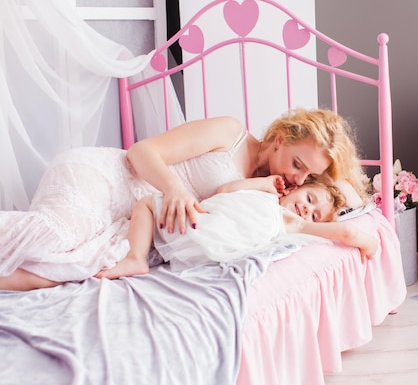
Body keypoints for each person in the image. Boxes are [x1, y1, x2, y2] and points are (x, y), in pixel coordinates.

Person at [0, 108, 368, 291]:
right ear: (281, 138)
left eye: (308, 176)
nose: (298, 178)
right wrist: (175, 188)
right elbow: (140, 152)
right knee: (53, 236)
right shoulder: (230, 133)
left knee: (61, 272)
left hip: (129, 222)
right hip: (106, 179)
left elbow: (346, 199)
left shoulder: (269, 194)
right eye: (297, 164)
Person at [95, 175, 378, 280]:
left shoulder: (294, 223)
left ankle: (136, 258)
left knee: (146, 203)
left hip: (204, 233)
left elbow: (345, 232)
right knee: (158, 207)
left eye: (316, 215)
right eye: (309, 199)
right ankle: (139, 256)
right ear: (294, 189)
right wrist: (264, 183)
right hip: (205, 243)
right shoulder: (265, 196)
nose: (308, 209)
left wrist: (369, 242)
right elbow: (226, 189)